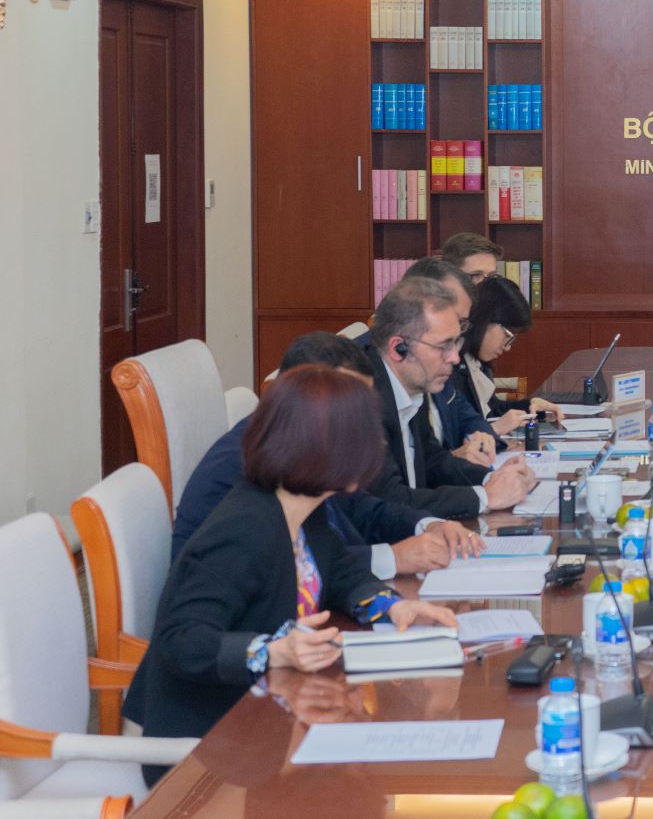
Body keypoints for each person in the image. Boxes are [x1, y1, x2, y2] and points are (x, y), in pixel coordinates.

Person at [123, 366, 459, 785]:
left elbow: (340, 570)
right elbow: (181, 639)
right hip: (209, 750)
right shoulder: (243, 528)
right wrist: (274, 652)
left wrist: (392, 606)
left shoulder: (301, 508)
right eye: (366, 434)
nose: (377, 445)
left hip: (271, 718)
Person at [173, 332, 483, 577]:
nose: (361, 424)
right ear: (303, 398)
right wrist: (394, 558)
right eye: (348, 409)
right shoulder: (253, 466)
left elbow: (359, 508)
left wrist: (426, 525)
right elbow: (293, 566)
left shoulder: (302, 443)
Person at [362, 277, 536, 517]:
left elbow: (433, 461)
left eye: (456, 343)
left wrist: (492, 477)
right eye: (443, 346)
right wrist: (485, 497)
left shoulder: (414, 386)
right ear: (398, 348)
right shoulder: (364, 402)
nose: (454, 358)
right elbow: (391, 500)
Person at [404, 256, 501, 462]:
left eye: (462, 323)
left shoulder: (437, 361)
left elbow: (465, 412)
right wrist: (455, 458)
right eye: (454, 319)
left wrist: (481, 439)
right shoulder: (372, 375)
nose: (455, 357)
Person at [448, 275, 559, 446]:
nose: (508, 347)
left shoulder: (478, 363)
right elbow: (452, 439)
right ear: (485, 319)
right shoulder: (451, 366)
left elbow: (492, 410)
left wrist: (530, 406)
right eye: (508, 335)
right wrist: (495, 429)